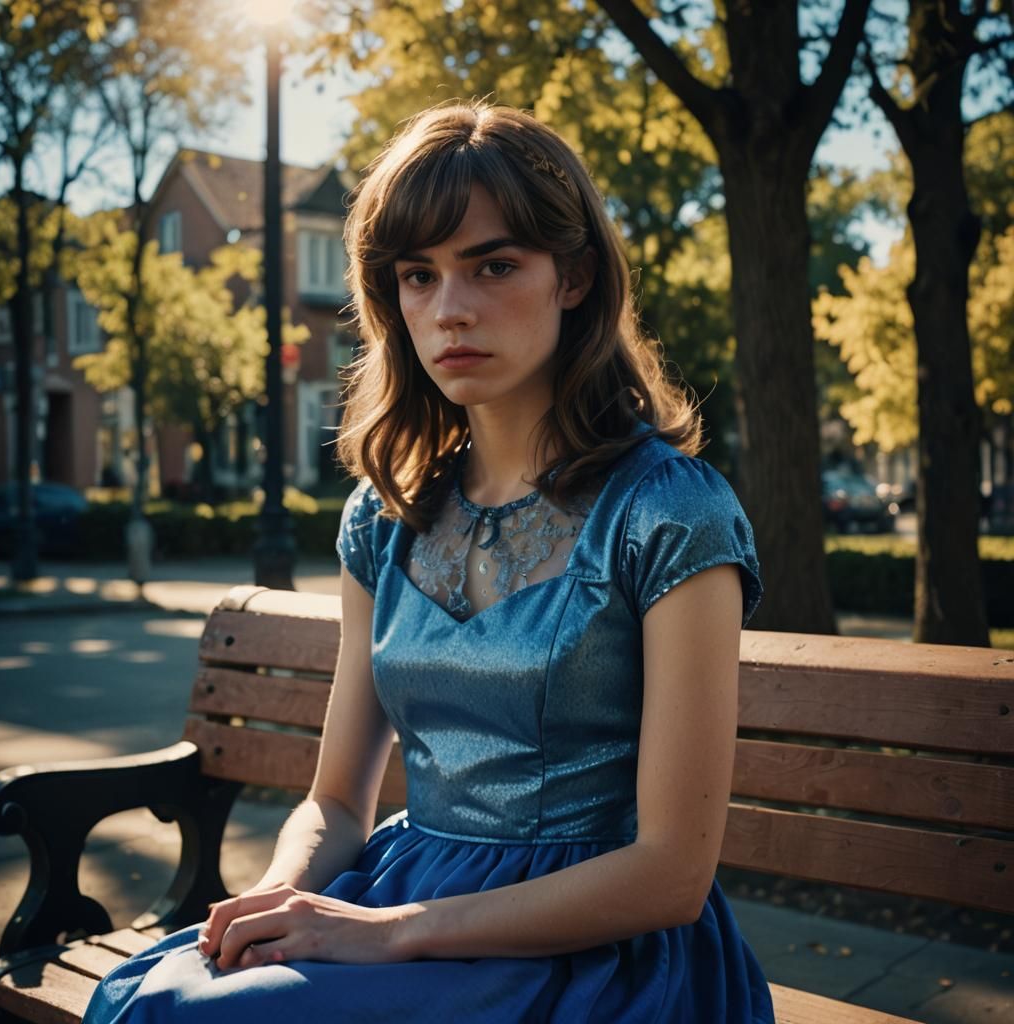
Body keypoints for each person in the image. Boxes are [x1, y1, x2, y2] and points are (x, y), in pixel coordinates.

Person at [84, 101, 774, 1023]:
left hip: (596, 954)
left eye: (494, 265)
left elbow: (671, 876)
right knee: (161, 993)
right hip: (402, 897)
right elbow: (337, 804)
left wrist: (388, 933)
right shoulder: (386, 516)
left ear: (573, 277)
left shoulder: (668, 511)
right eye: (419, 275)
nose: (450, 310)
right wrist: (282, 899)